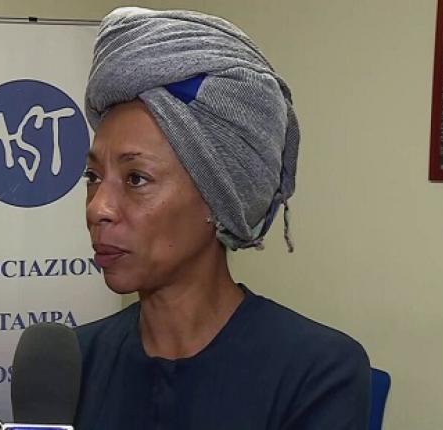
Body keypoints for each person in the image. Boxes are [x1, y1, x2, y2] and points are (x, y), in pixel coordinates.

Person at [74, 7, 370, 430]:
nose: (97, 208)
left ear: (218, 197)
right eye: (92, 177)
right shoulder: (75, 360)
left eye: (136, 178)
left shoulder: (316, 372)